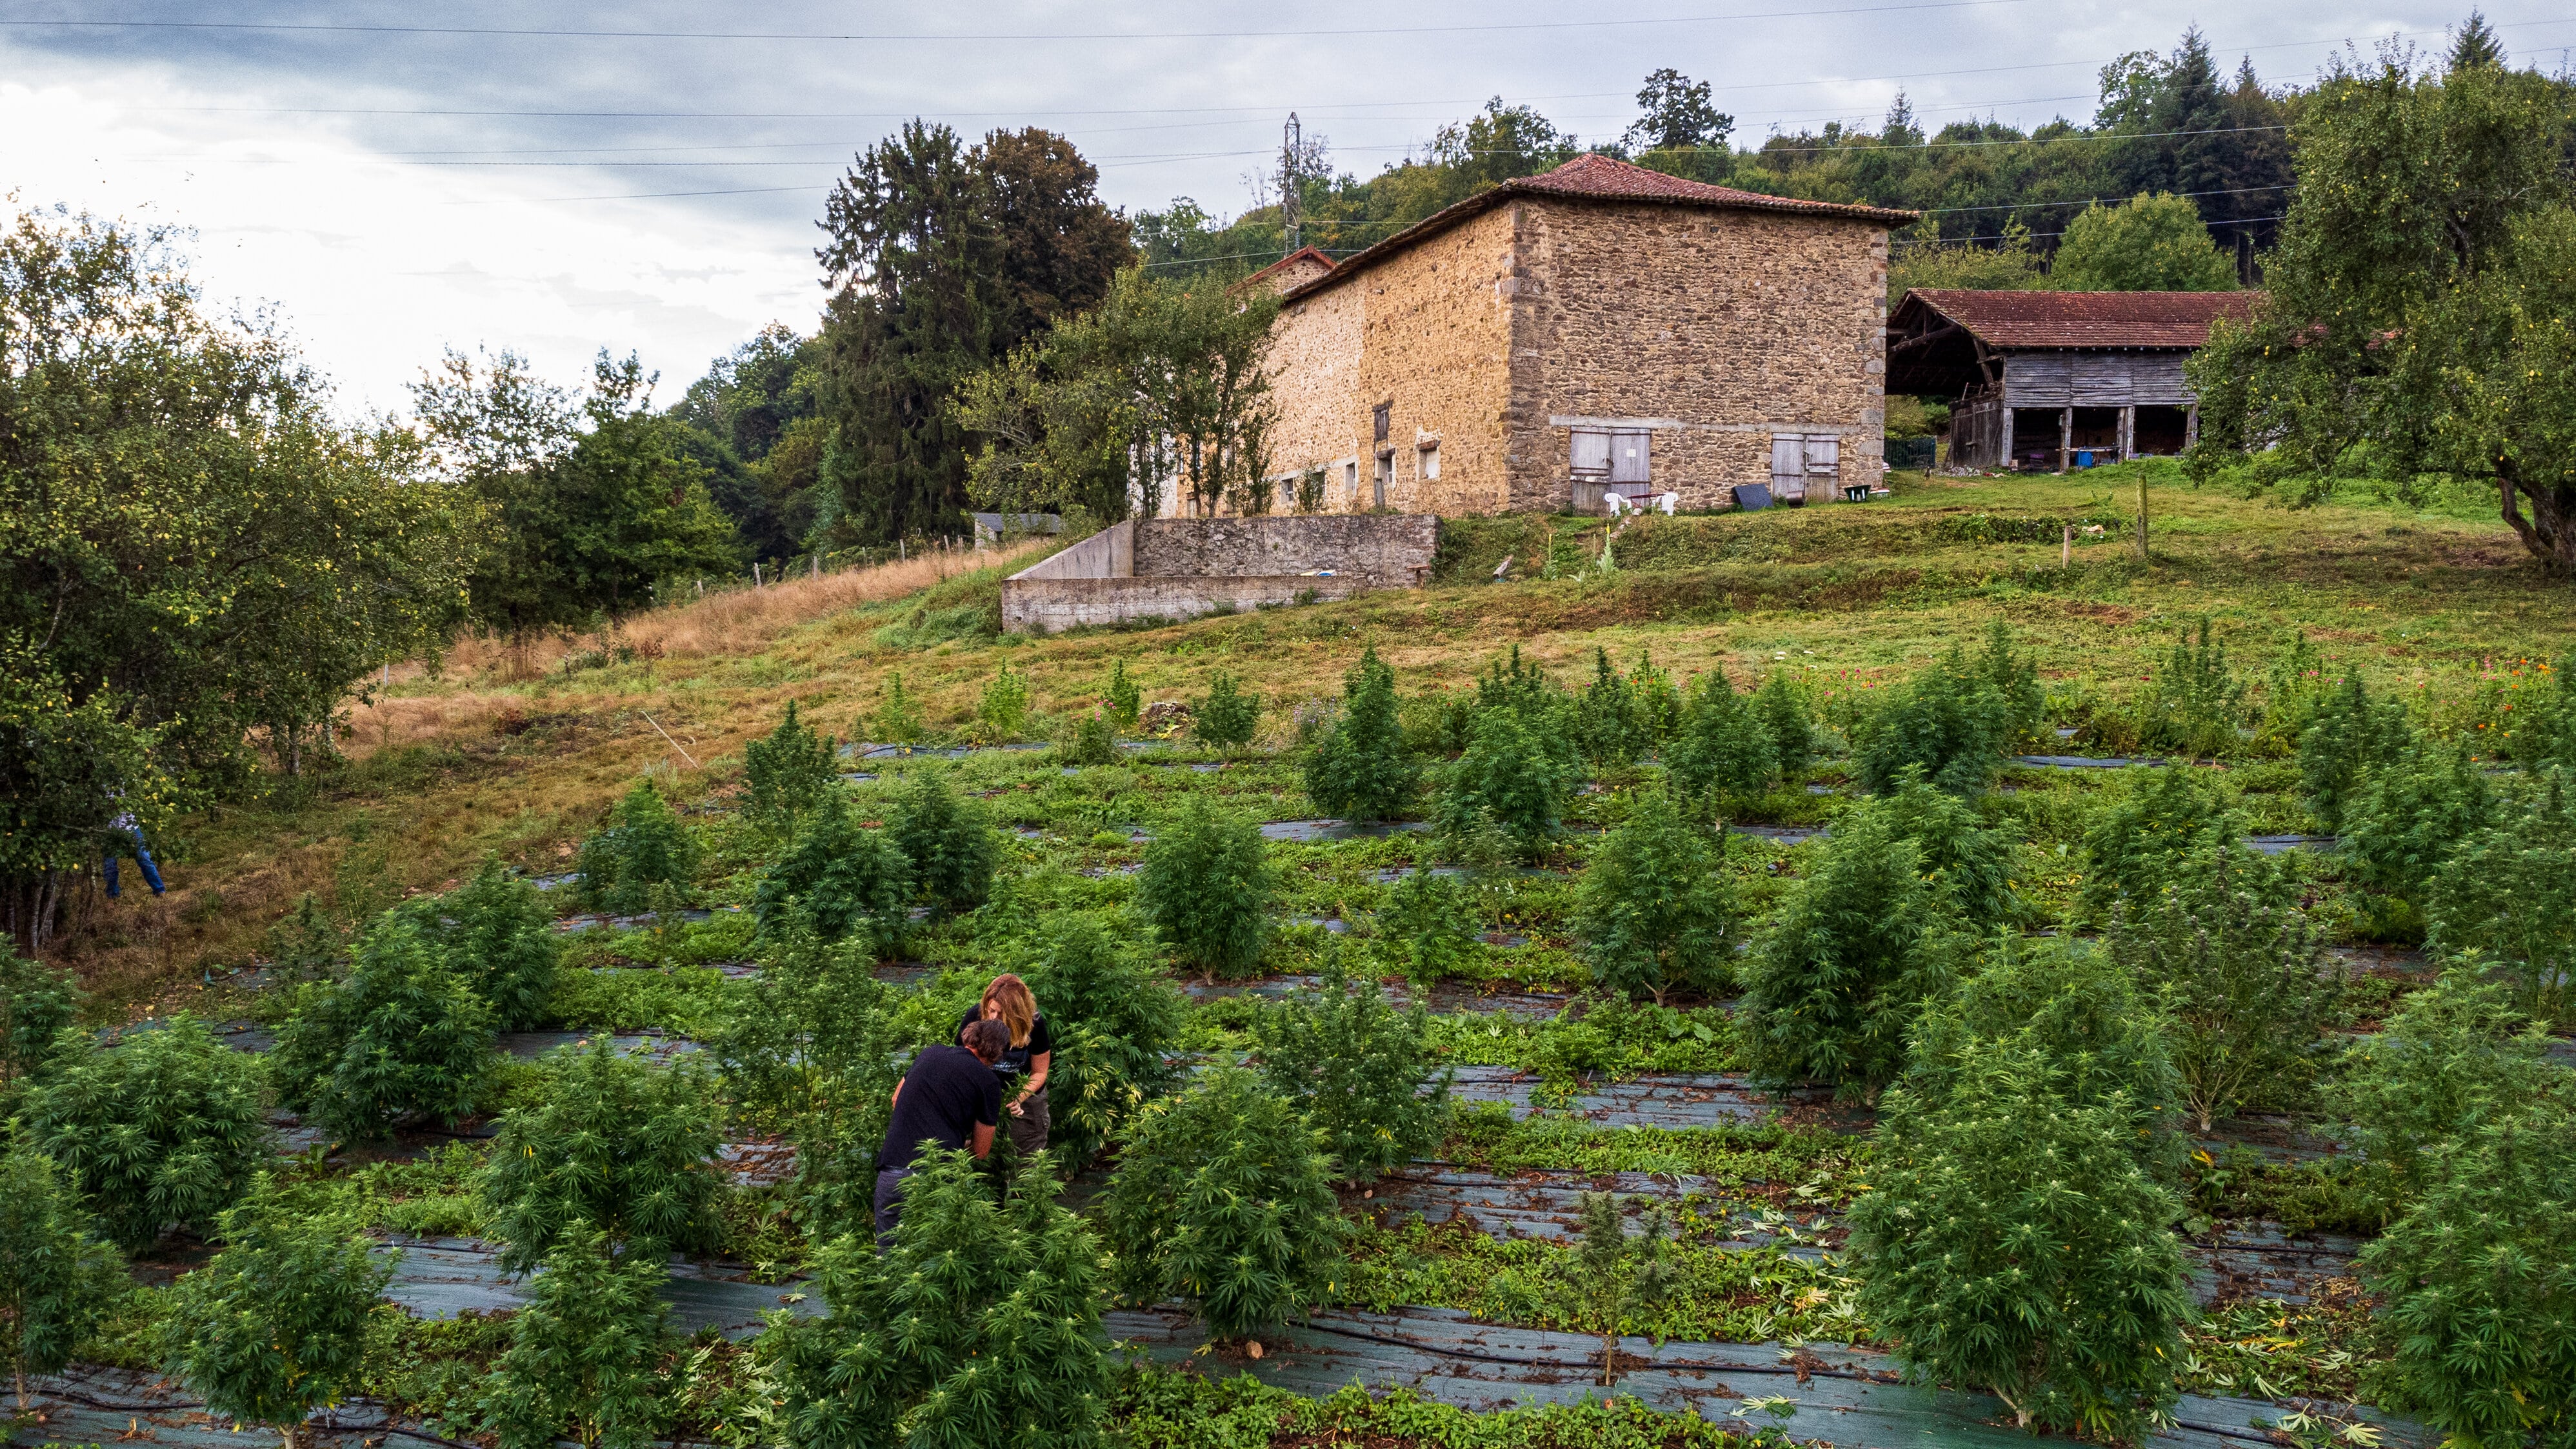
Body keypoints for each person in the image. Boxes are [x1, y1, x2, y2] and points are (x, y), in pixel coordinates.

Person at [873, 1017, 1007, 1244]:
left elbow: (896, 1099)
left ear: (969, 1035)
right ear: (997, 1053)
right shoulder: (988, 1082)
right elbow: (981, 1150)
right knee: (934, 1252)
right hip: (935, 1179)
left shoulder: (930, 1053)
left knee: (889, 1256)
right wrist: (955, 1143)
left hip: (892, 1170)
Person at [959, 974, 1052, 1158]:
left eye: (1002, 1014)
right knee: (978, 1157)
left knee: (1027, 1159)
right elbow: (960, 1060)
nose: (994, 1018)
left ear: (1018, 1012)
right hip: (982, 1095)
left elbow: (1040, 1072)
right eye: (991, 1010)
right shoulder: (975, 1017)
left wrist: (1019, 1097)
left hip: (1024, 1098)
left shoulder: (1034, 1024)